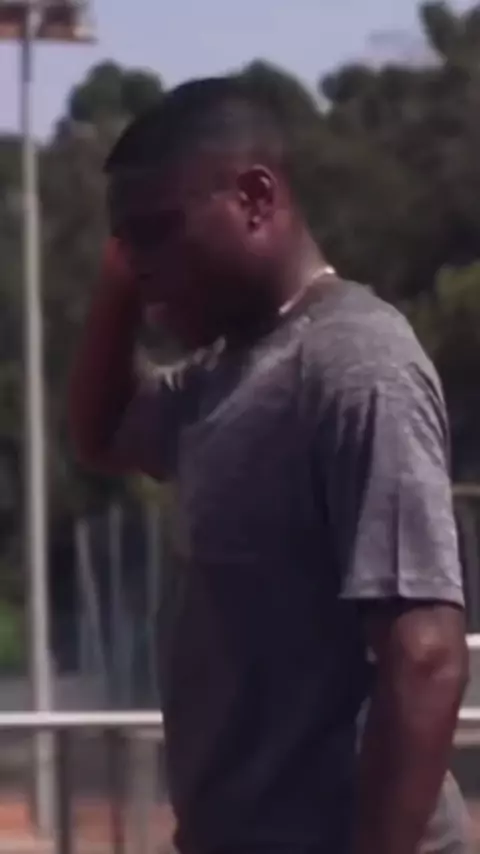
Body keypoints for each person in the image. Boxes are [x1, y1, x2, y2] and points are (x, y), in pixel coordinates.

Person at [70, 76, 469, 854]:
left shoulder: (354, 362)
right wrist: (125, 276)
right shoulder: (223, 373)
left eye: (156, 231)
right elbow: (104, 433)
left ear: (256, 198)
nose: (140, 263)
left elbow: (424, 656)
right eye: (124, 242)